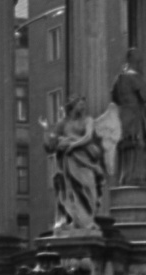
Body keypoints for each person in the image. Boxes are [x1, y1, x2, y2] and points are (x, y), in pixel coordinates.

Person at [40, 95, 105, 230]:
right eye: (80, 104)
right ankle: (77, 222)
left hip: (85, 160)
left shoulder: (88, 120)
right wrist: (46, 129)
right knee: (70, 191)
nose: (83, 107)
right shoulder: (63, 124)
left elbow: (88, 137)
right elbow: (51, 144)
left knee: (89, 188)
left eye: (84, 105)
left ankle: (87, 220)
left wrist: (72, 144)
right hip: (68, 162)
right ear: (73, 106)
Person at [109, 48, 146, 184]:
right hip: (135, 114)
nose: (141, 62)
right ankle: (137, 177)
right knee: (138, 144)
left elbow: (114, 97)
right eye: (139, 60)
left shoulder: (119, 78)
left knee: (126, 145)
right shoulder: (133, 76)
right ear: (134, 60)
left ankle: (125, 177)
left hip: (124, 115)